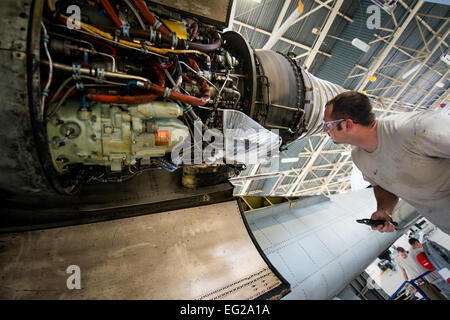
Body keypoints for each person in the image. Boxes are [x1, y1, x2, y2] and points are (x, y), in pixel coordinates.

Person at [323, 91, 450, 234]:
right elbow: (382, 185)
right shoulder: (359, 158)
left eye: (327, 125)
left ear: (348, 124)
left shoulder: (416, 129)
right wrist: (384, 209)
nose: (324, 130)